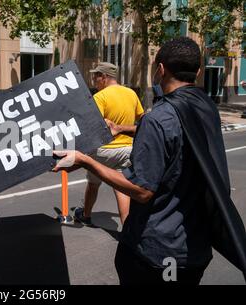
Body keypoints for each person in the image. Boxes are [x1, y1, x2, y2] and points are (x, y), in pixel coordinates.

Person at [53, 37, 246, 285]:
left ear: (161, 69)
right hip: (195, 250)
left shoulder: (160, 117)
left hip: (158, 253)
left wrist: (86, 161)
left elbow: (142, 191)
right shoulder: (205, 107)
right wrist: (123, 127)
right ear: (198, 72)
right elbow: (173, 133)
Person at [74, 62, 143, 226]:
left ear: (104, 77)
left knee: (93, 183)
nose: (93, 80)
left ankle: (86, 214)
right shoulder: (131, 93)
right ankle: (126, 227)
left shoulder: (100, 97)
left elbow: (92, 125)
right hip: (127, 149)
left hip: (104, 151)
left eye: (96, 76)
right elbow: (141, 119)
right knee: (121, 187)